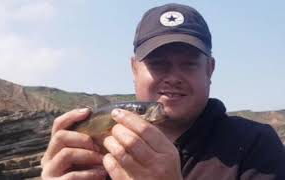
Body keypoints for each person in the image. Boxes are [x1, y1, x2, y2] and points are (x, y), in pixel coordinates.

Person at [40, 3, 285, 180]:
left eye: (188, 64)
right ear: (134, 69)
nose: (173, 77)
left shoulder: (255, 145)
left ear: (209, 70)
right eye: (158, 64)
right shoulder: (92, 148)